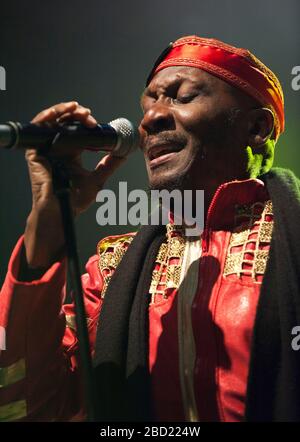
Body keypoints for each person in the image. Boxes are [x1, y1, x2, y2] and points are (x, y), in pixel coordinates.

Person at [0, 35, 300, 422]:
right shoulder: (109, 272)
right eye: (149, 103)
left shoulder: (290, 241)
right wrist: (48, 227)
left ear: (256, 128)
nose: (149, 118)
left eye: (182, 96)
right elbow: (25, 409)